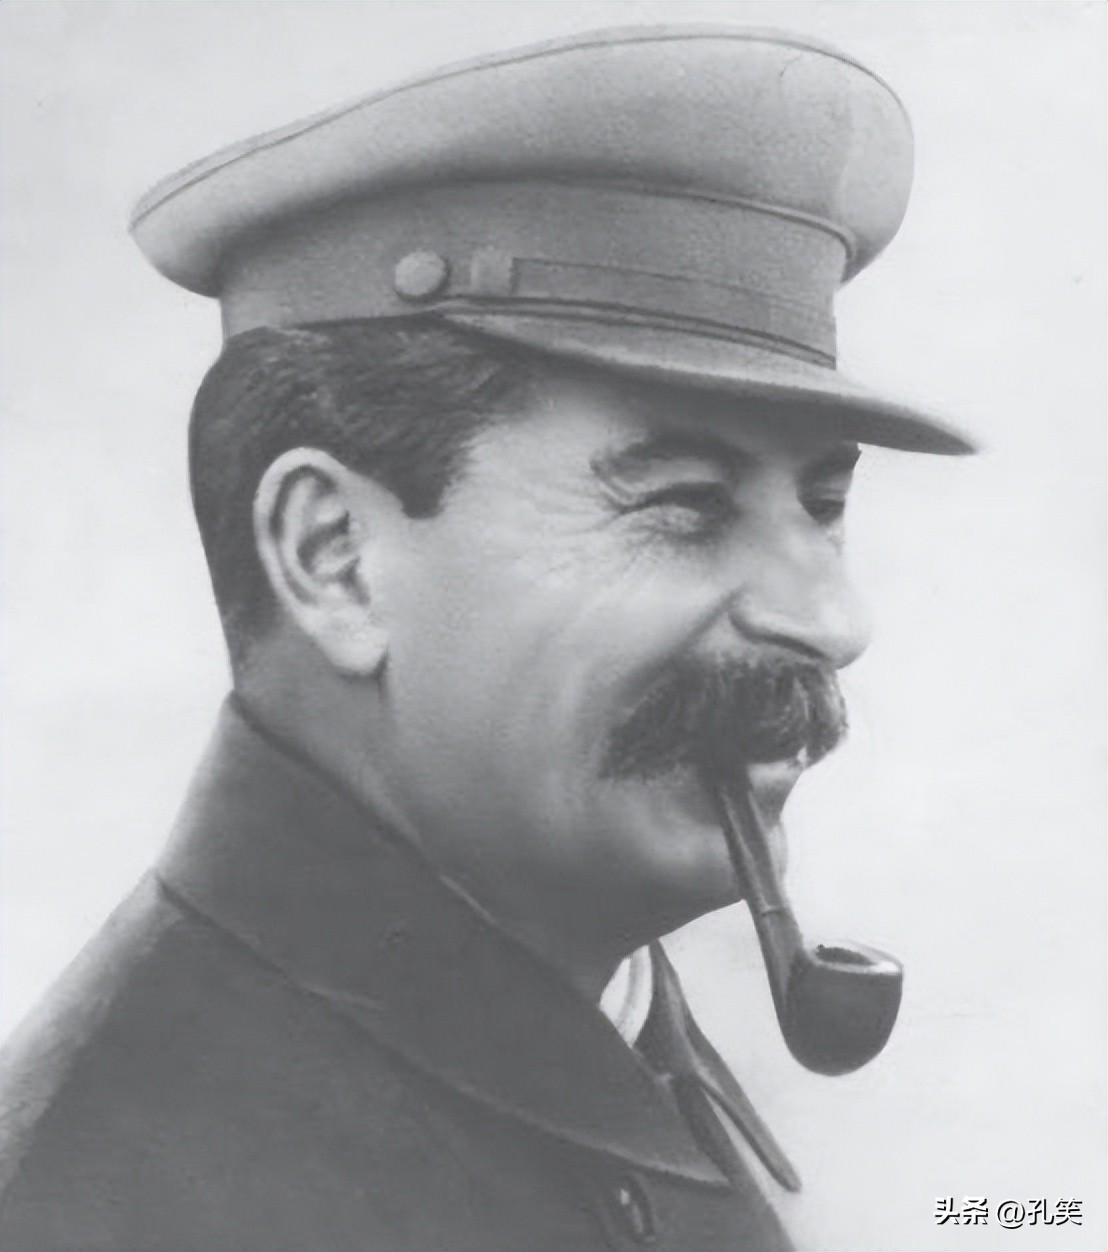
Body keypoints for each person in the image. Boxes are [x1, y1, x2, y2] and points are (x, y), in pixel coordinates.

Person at [0, 26, 973, 1251]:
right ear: (333, 558)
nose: (832, 621)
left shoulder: (616, 1036)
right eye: (684, 506)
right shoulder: (112, 1198)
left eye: (821, 507)